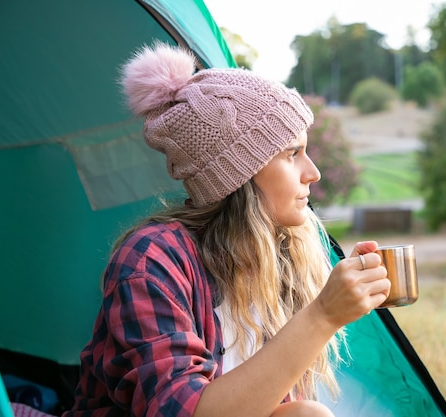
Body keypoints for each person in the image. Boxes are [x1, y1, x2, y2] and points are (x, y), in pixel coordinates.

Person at [63, 42, 390, 417]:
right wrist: (322, 316)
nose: (312, 172)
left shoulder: (280, 252)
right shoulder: (151, 261)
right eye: (291, 154)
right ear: (240, 174)